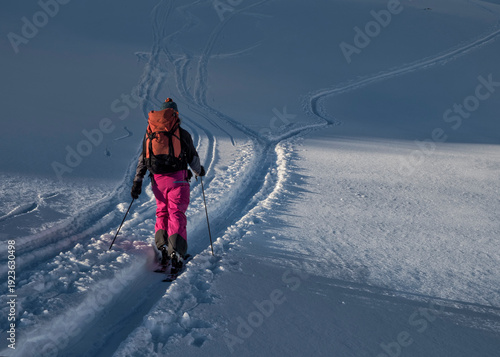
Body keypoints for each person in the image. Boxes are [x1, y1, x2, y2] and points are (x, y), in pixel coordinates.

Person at [130, 98, 205, 267]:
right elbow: (193, 157)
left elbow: (143, 159)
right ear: (175, 114)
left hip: (157, 181)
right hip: (177, 180)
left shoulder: (150, 133)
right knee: (176, 213)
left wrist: (137, 181)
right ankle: (176, 252)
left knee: (162, 211)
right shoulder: (182, 133)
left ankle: (161, 247)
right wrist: (199, 171)